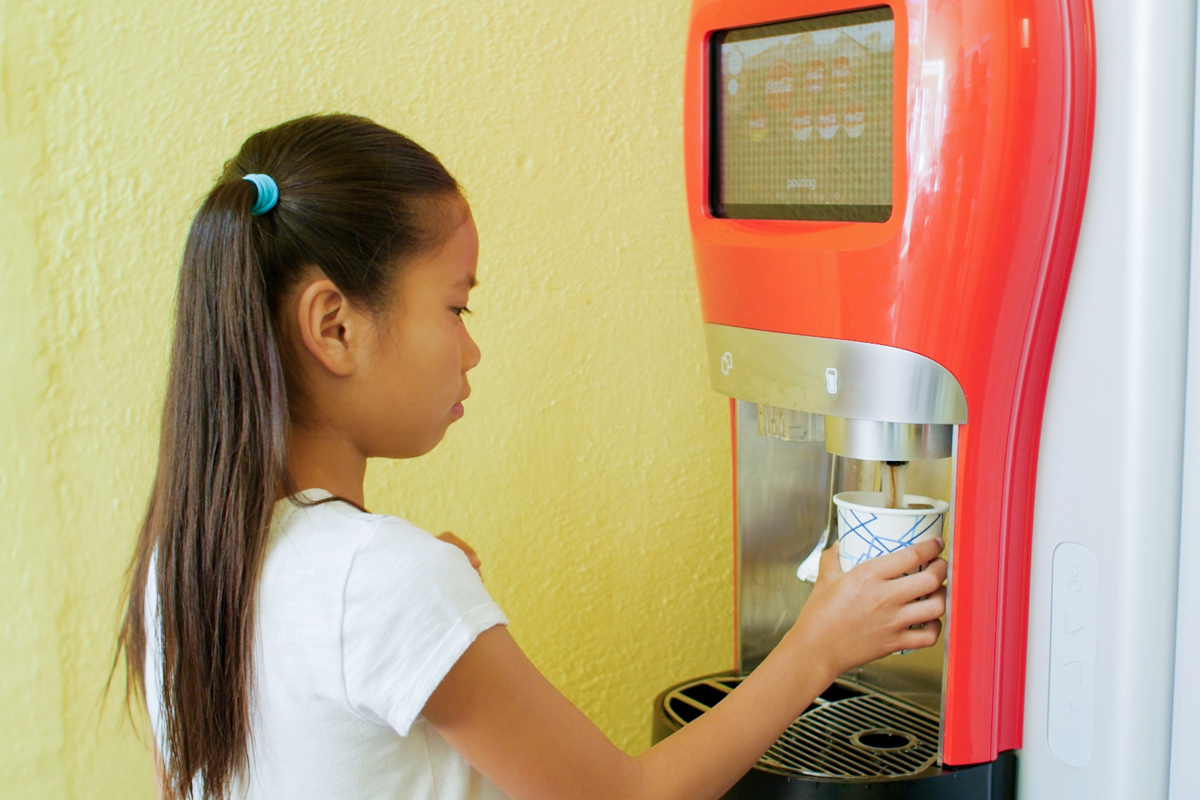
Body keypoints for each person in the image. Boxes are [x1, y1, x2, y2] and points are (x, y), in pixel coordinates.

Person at [116, 113, 948, 800]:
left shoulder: (181, 566)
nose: (470, 350)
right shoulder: (384, 582)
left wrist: (421, 619)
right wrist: (818, 646)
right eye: (455, 305)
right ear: (334, 326)